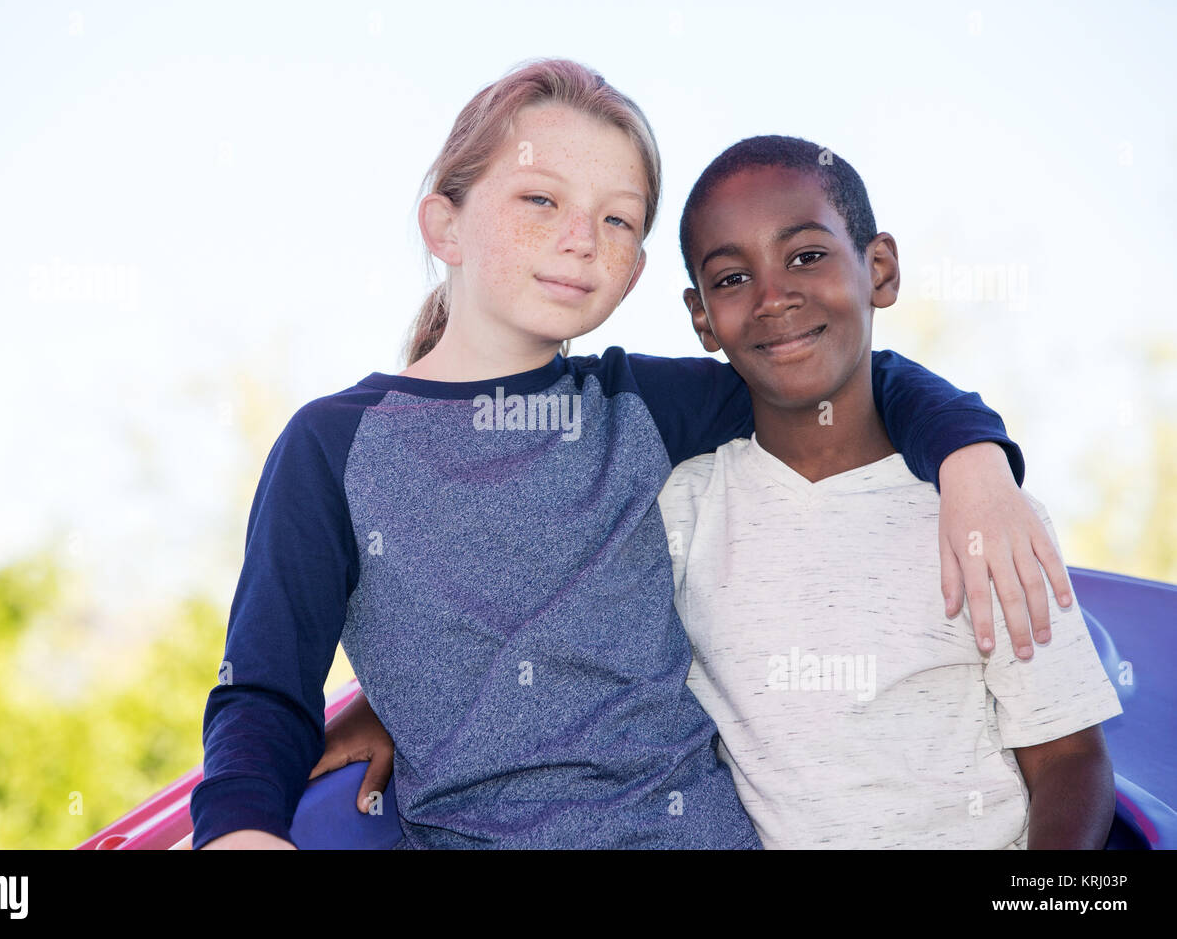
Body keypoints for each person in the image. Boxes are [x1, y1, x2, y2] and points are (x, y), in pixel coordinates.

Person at [191, 60, 1070, 850]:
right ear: (445, 225)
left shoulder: (639, 407)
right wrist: (243, 824)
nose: (583, 239)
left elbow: (852, 378)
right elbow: (261, 690)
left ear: (639, 267)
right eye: (542, 200)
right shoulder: (334, 447)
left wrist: (974, 465)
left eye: (619, 219)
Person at [655, 135, 1121, 848]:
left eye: (806, 256)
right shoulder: (682, 513)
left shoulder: (984, 513)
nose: (774, 297)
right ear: (701, 319)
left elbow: (1068, 758)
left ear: (880, 268)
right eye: (731, 278)